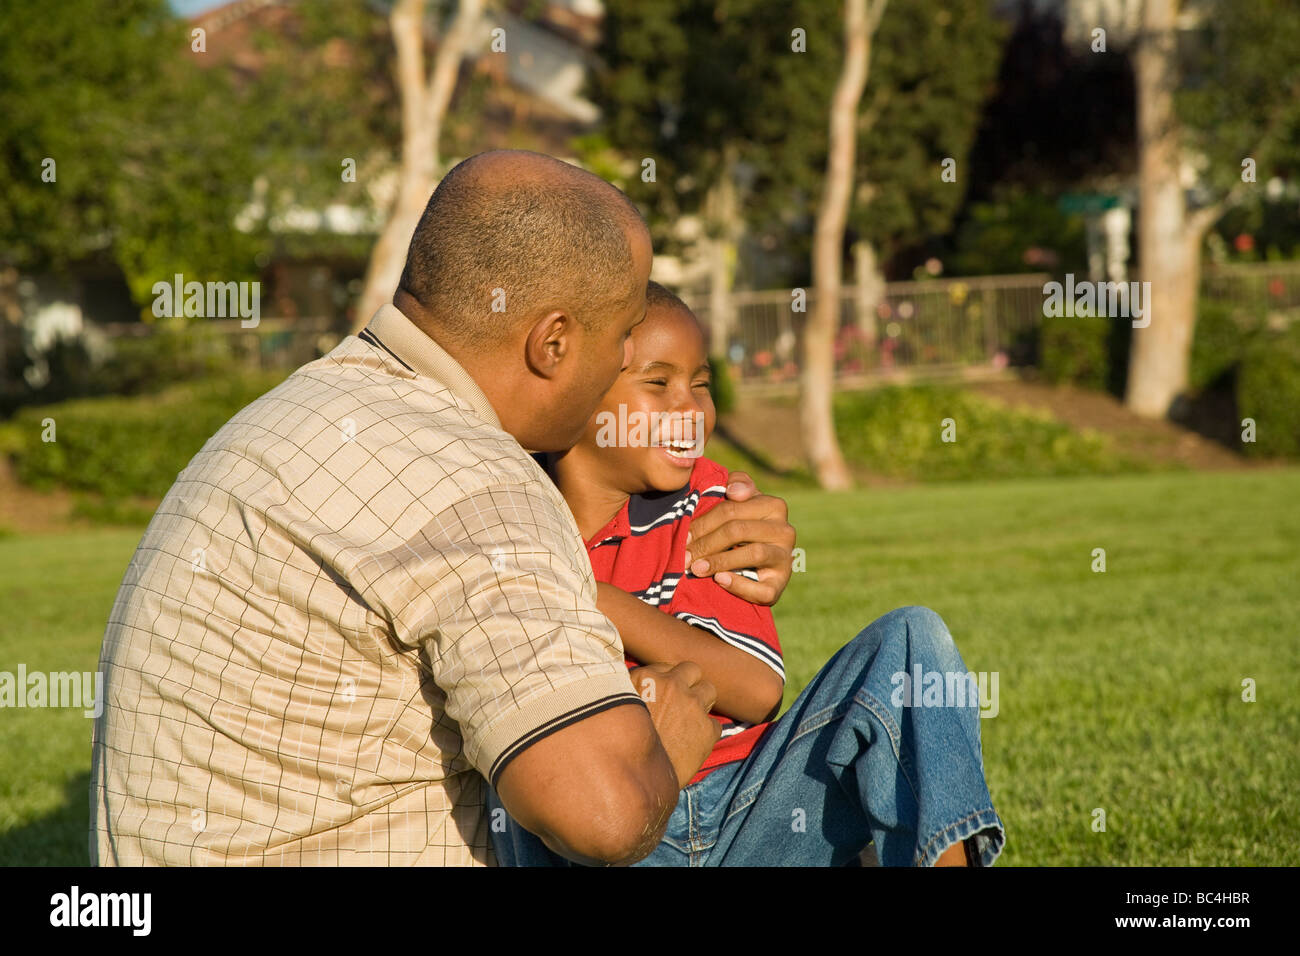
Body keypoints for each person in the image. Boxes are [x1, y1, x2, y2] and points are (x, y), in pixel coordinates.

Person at [89, 150, 796, 866]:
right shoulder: (475, 483)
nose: (619, 363)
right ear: (553, 343)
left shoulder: (279, 417)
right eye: (621, 338)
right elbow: (602, 814)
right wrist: (664, 752)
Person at [486, 283, 1007, 866]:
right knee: (517, 773)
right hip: (611, 831)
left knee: (914, 638)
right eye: (657, 383)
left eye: (701, 384)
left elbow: (757, 690)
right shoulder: (514, 523)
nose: (690, 408)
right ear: (578, 396)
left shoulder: (709, 509)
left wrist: (590, 596)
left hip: (747, 810)